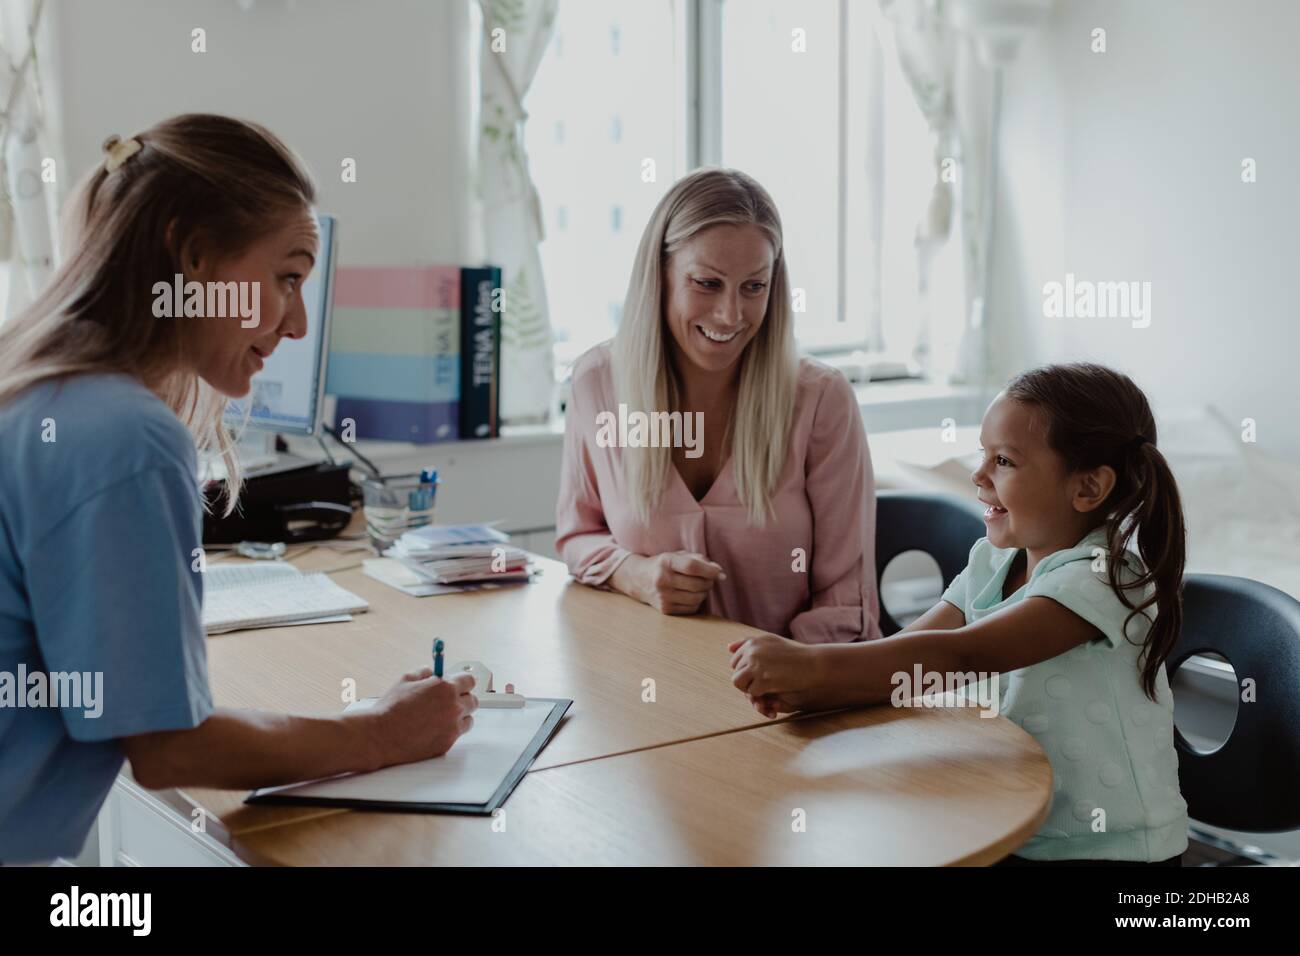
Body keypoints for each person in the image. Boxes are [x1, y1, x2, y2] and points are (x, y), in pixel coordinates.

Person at [0, 114, 475, 865]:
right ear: (191, 256)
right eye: (287, 276)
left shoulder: (42, 388)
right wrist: (380, 735)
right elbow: (166, 745)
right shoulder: (122, 432)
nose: (297, 322)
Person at [730, 363, 1189, 864]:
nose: (978, 475)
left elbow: (958, 655)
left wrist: (811, 664)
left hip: (1108, 851)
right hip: (1006, 823)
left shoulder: (1103, 578)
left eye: (1005, 461)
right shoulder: (993, 558)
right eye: (983, 455)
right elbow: (906, 659)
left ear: (1088, 488)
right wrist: (812, 691)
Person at [556, 167, 882, 644]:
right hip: (648, 680)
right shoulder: (597, 384)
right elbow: (577, 535)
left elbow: (845, 598)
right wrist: (636, 575)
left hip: (795, 698)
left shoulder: (821, 400)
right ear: (660, 276)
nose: (732, 315)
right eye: (707, 283)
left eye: (754, 287)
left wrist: (792, 679)